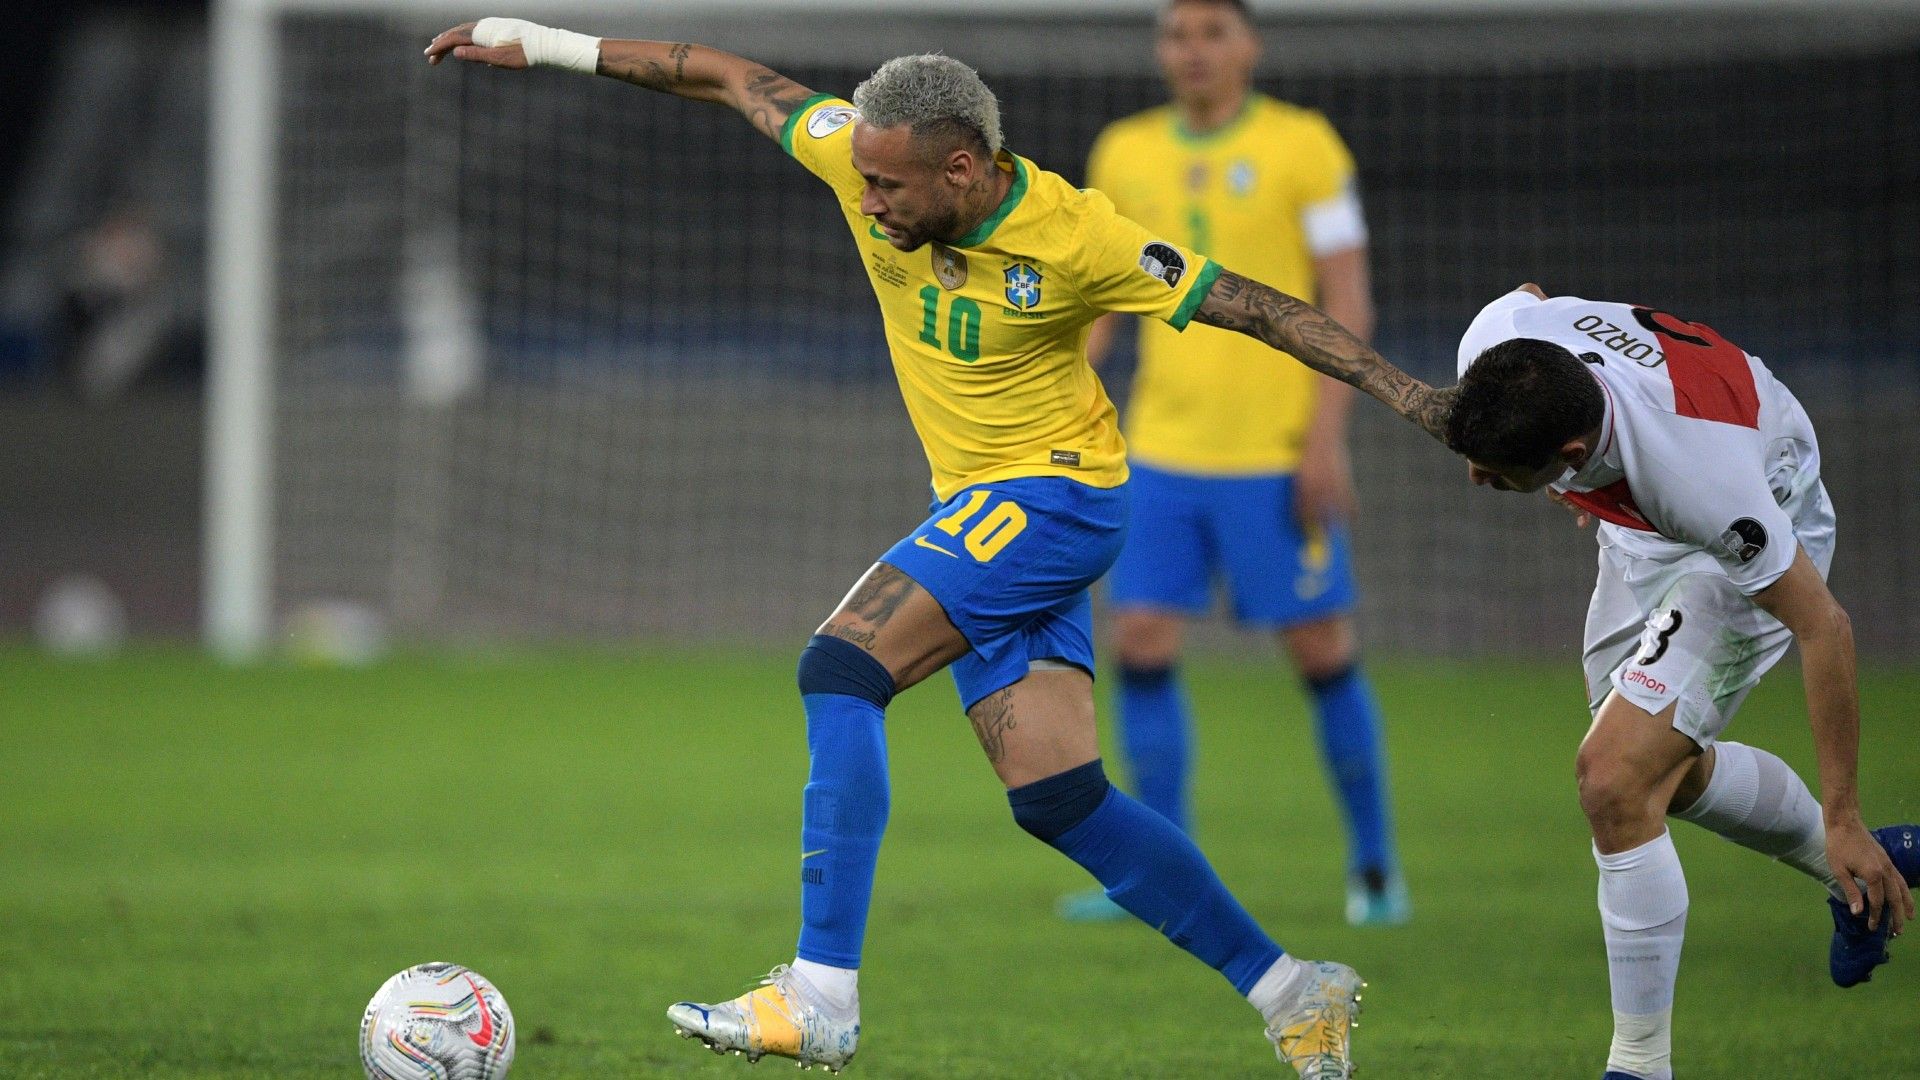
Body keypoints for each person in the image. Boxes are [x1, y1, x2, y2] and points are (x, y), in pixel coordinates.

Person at [428, 20, 1452, 1078]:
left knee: (841, 666)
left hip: (1056, 495)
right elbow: (731, 77)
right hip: (986, 504)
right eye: (862, 178)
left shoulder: (1081, 236)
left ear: (962, 168)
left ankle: (820, 994)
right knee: (1059, 800)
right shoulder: (857, 152)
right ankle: (1293, 991)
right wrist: (541, 40)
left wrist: (1419, 401)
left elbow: (1259, 307)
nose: (866, 201)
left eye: (888, 186)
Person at [1445, 283, 1917, 1080]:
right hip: (1639, 528)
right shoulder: (1507, 340)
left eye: (1495, 474)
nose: (1475, 480)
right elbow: (1530, 293)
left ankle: (1639, 1066)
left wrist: (1845, 815)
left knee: (1615, 779)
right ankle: (1868, 875)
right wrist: (1580, 479)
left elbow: (1825, 628)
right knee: (1662, 775)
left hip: (1755, 523)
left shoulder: (1705, 484)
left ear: (1569, 453)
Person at [1061, 0, 1405, 928]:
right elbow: (1102, 305)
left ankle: (1375, 870)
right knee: (1139, 641)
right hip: (1159, 452)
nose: (1195, 50)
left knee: (1321, 650)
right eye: (1178, 33)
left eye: (1213, 31)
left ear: (1249, 44)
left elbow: (1347, 302)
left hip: (1275, 454)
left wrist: (1326, 439)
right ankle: (1159, 875)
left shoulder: (1304, 145)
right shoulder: (1124, 152)